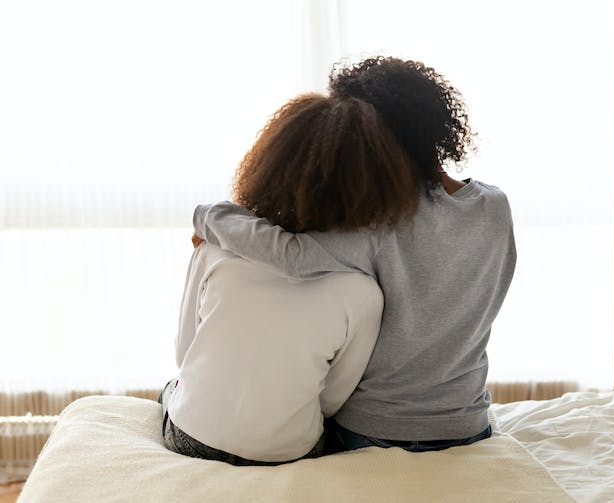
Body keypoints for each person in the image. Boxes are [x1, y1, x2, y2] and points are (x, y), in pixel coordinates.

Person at [192, 56, 517, 452]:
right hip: (469, 424)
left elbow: (292, 255)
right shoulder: (495, 206)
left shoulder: (382, 222)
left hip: (376, 430)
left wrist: (208, 216)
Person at [159, 92, 422, 465]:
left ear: (271, 165)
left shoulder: (213, 250)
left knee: (170, 390)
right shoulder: (363, 293)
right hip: (286, 452)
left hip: (192, 437)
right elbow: (332, 399)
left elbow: (185, 353)